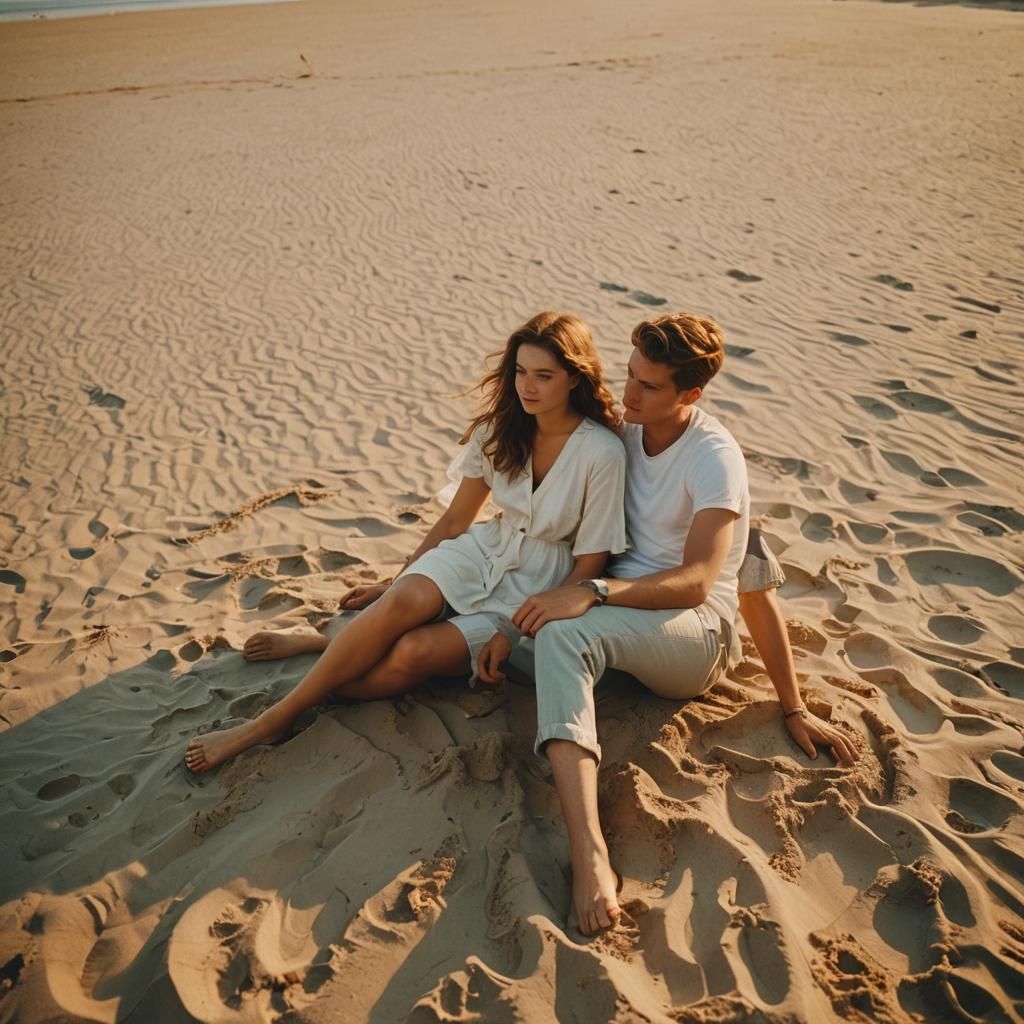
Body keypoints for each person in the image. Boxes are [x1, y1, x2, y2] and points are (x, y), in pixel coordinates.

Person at [473, 313, 857, 937]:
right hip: (618, 621)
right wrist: (522, 620)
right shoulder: (619, 433)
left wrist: (793, 707)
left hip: (693, 633)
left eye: (649, 386)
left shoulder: (714, 458)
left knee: (565, 633)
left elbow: (718, 578)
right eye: (629, 375)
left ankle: (590, 854)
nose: (628, 395)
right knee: (487, 642)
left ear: (691, 394)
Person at [184, 312, 627, 773]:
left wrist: (515, 631)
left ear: (575, 377)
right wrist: (394, 585)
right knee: (403, 602)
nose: (526, 387)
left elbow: (589, 565)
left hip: (537, 590)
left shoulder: (601, 453)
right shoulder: (500, 429)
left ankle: (326, 643)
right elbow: (456, 519)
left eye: (544, 376)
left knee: (405, 654)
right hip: (483, 552)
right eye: (520, 371)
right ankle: (270, 722)